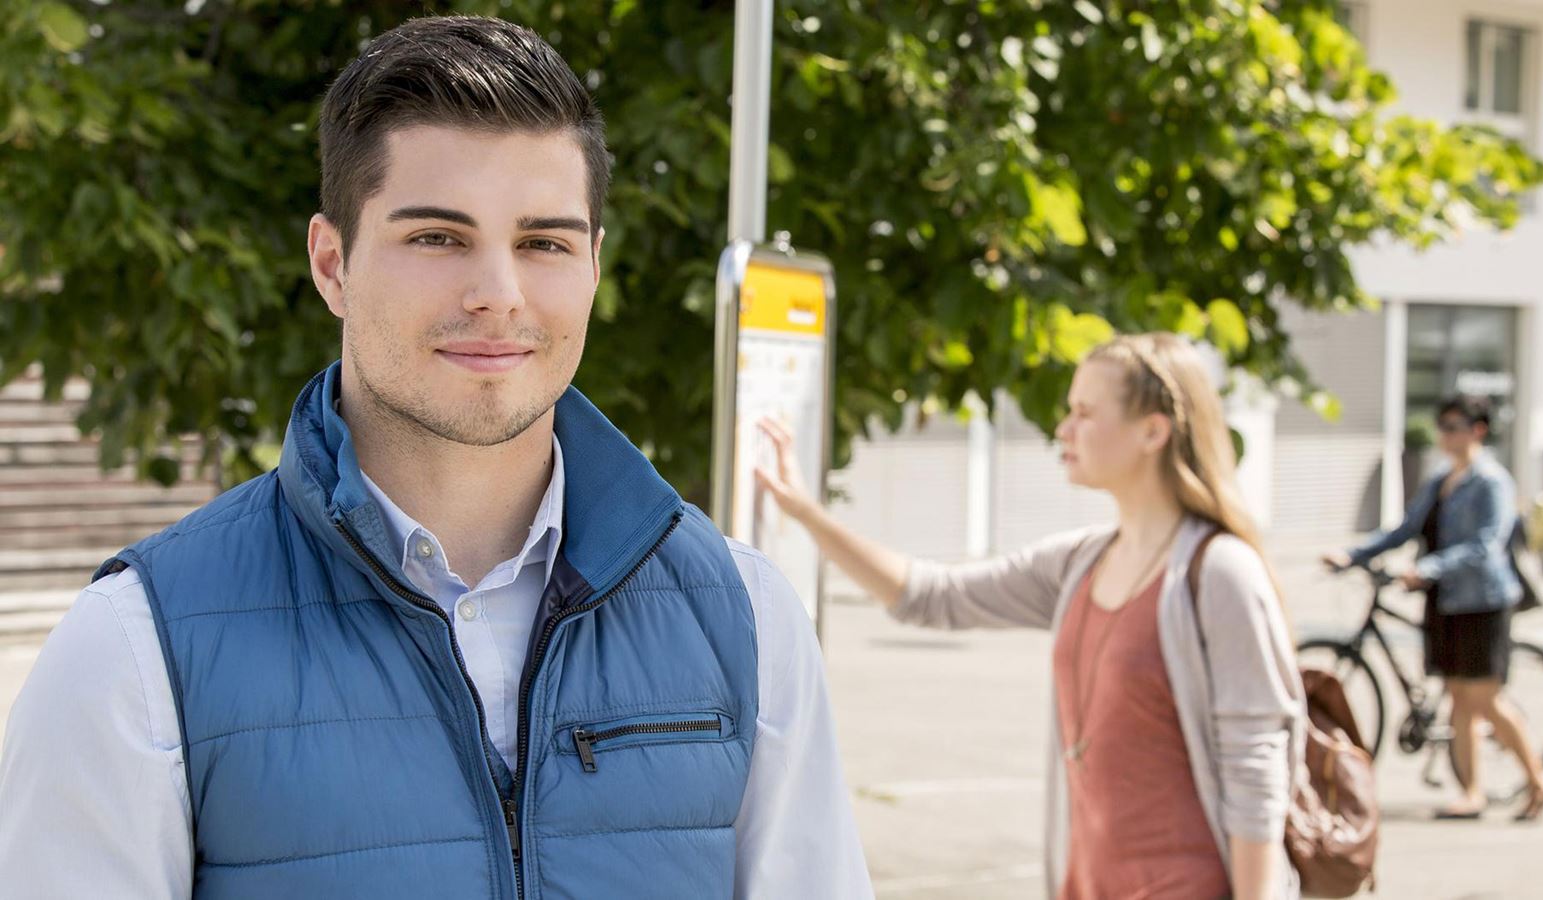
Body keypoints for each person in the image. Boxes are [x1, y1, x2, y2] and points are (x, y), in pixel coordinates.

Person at [0, 17, 870, 899]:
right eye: (437, 238)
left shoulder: (748, 619)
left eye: (545, 243)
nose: (499, 293)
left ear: (595, 265)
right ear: (332, 264)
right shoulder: (136, 649)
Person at [757, 333, 1304, 900]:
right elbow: (930, 595)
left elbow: (1256, 775)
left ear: (1153, 431)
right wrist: (805, 513)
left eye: (1084, 414)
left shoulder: (1220, 573)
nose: (1063, 430)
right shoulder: (1081, 564)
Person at [1323, 394, 1543, 822]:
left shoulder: (1491, 481)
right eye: (1442, 425)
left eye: (1454, 425)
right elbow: (1405, 528)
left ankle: (1538, 780)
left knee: (1483, 699)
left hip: (1482, 600)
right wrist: (1353, 554)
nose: (1445, 434)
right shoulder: (1441, 478)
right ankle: (1472, 792)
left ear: (1477, 429)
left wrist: (1426, 568)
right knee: (1458, 698)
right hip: (1446, 600)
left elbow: (1487, 545)